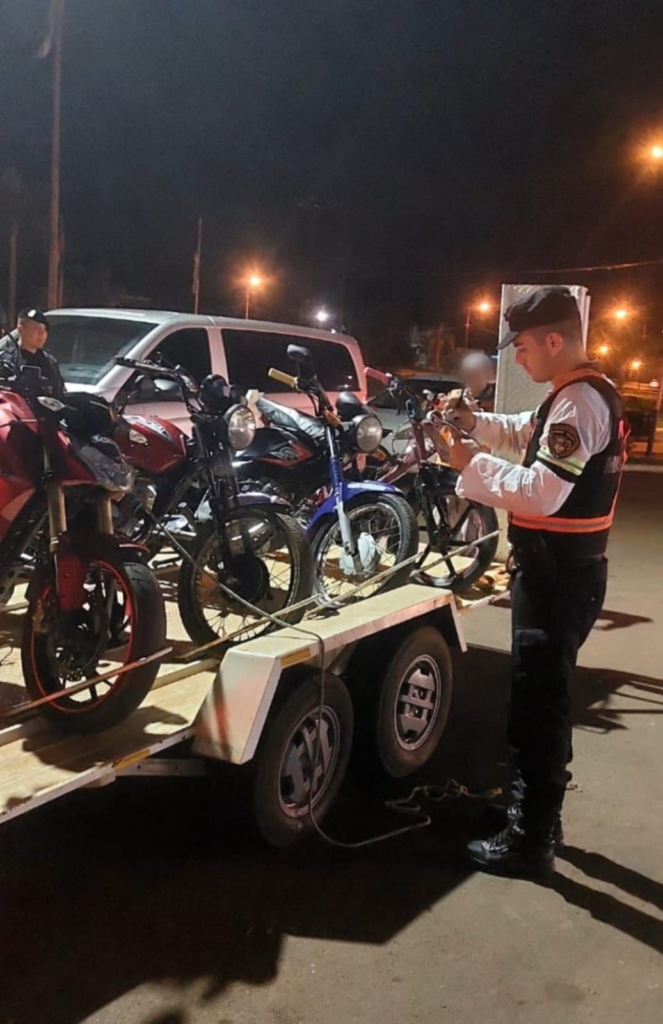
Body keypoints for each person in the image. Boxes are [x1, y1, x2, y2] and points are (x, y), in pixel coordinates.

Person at [442, 286, 626, 880]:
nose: (517, 359)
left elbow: (542, 492)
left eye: (521, 347)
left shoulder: (578, 404)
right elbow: (524, 432)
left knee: (538, 708)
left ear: (553, 340)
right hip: (562, 571)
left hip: (557, 576)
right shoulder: (577, 394)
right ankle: (539, 816)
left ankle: (531, 839)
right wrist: (474, 423)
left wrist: (468, 462)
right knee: (543, 700)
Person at [0, 307, 66, 398]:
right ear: (21, 329)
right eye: (36, 328)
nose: (42, 333)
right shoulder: (7, 361)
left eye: (44, 329)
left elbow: (59, 391)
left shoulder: (49, 361)